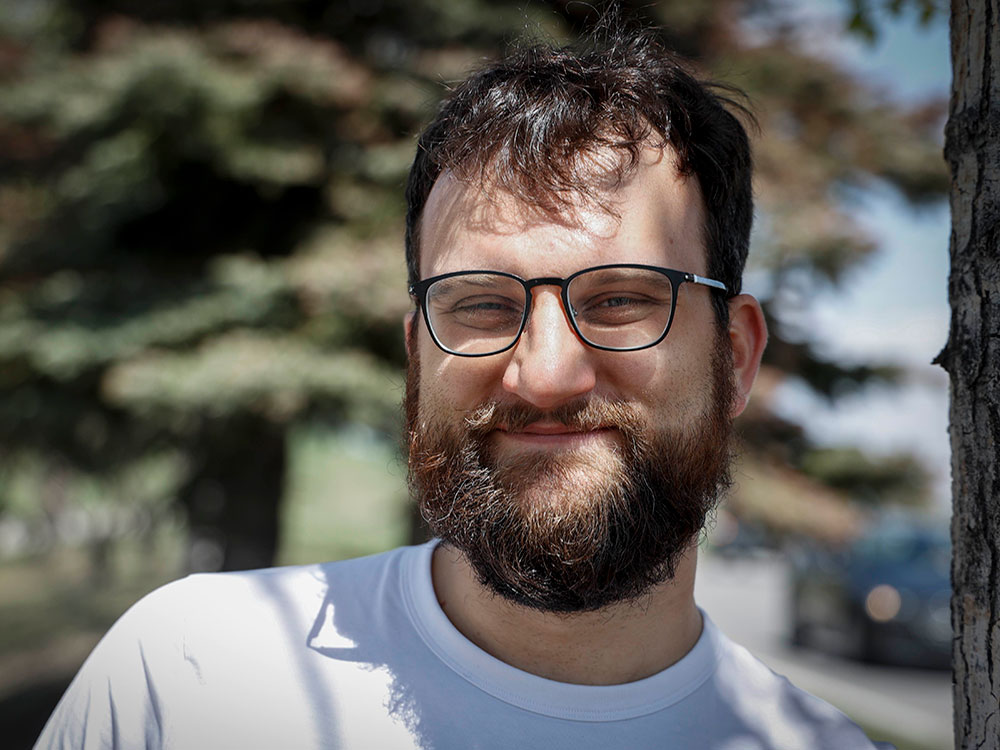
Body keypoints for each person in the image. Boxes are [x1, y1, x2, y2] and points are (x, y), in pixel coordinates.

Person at [36, 23, 892, 750]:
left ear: (736, 356)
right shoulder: (189, 678)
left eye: (624, 299)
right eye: (481, 304)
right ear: (416, 357)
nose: (547, 374)